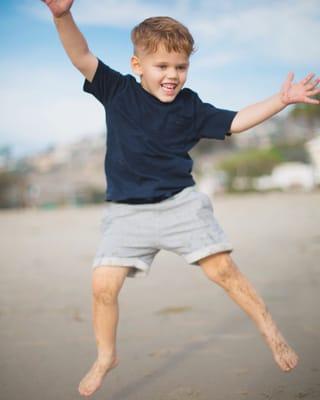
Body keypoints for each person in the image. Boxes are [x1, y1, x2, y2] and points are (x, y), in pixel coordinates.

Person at [42, 0, 319, 397]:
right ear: (138, 65)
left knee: (223, 270)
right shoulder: (117, 91)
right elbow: (81, 55)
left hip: (180, 204)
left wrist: (281, 100)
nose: (172, 75)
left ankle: (271, 330)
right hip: (126, 214)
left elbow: (237, 121)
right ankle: (106, 357)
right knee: (103, 286)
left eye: (180, 67)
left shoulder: (191, 108)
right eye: (162, 66)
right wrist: (62, 15)